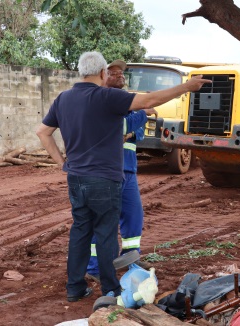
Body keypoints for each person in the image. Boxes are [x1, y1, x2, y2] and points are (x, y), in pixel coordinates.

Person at [36, 51, 210, 302]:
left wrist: (63, 163)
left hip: (76, 179)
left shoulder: (63, 99)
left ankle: (74, 288)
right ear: (102, 73)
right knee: (106, 234)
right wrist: (187, 86)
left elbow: (43, 132)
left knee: (80, 232)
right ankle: (110, 289)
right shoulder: (107, 96)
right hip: (104, 180)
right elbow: (151, 99)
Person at [86, 60, 155, 282]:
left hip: (129, 171)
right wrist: (142, 113)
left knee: (134, 217)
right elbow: (121, 129)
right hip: (106, 172)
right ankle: (95, 268)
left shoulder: (128, 101)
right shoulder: (101, 100)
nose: (120, 76)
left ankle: (130, 259)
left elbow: (137, 135)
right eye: (114, 73)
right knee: (104, 220)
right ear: (103, 75)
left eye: (122, 73)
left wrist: (130, 126)